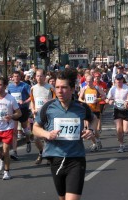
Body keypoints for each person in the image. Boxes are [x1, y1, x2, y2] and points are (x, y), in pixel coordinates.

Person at [33, 69, 96, 200]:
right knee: (62, 197)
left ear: (72, 89)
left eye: (64, 88)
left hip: (76, 158)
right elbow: (35, 128)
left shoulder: (81, 107)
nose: (59, 91)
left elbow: (94, 119)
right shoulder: (48, 107)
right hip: (55, 157)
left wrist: (91, 130)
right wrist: (47, 134)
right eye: (57, 87)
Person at [0, 77, 22, 180]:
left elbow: (19, 113)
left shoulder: (10, 98)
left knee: (6, 150)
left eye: (0, 85)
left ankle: (7, 172)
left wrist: (11, 116)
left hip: (8, 127)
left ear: (5, 86)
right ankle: (2, 158)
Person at [30, 69, 56, 164]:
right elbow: (32, 101)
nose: (39, 78)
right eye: (37, 76)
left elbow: (55, 100)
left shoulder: (50, 88)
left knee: (47, 137)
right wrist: (33, 110)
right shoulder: (33, 88)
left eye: (41, 76)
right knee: (36, 138)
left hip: (48, 116)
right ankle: (41, 152)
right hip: (37, 116)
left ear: (45, 77)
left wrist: (48, 103)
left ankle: (49, 155)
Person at [8, 71, 32, 160]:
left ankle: (28, 141)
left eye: (17, 76)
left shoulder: (25, 86)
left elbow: (31, 96)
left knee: (24, 127)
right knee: (14, 131)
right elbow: (8, 97)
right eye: (14, 76)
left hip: (23, 109)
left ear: (20, 77)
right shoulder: (10, 87)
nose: (16, 78)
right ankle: (14, 152)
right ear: (12, 77)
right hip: (14, 110)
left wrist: (24, 101)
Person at [78, 75, 105, 152]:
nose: (89, 82)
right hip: (87, 110)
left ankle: (98, 141)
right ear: (85, 81)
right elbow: (79, 98)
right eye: (87, 81)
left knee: (94, 129)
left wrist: (98, 99)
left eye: (90, 81)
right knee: (89, 128)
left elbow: (104, 96)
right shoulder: (84, 89)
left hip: (95, 111)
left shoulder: (97, 88)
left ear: (93, 81)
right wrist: (84, 102)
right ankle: (95, 143)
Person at [106, 73, 128, 153]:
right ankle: (121, 145)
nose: (119, 82)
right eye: (117, 80)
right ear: (115, 81)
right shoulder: (113, 89)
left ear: (122, 80)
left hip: (126, 110)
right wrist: (109, 101)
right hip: (117, 110)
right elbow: (107, 98)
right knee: (119, 129)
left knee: (126, 130)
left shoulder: (127, 88)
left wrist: (127, 102)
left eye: (120, 80)